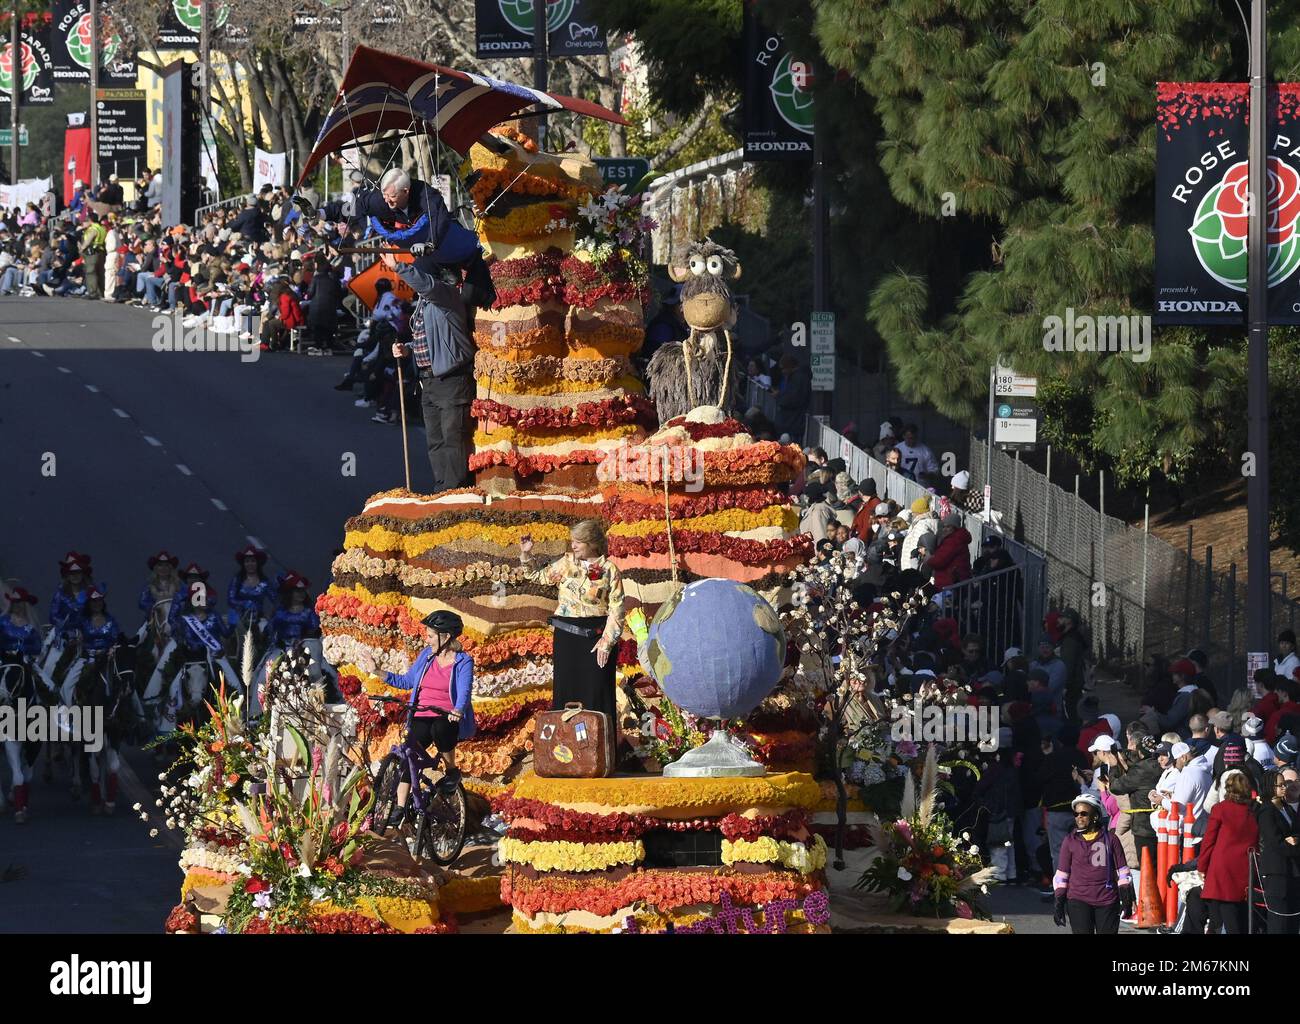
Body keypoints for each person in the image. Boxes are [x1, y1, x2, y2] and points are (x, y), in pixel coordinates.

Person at [357, 610, 475, 827]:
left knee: (442, 729)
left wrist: (457, 710)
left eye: (430, 635)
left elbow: (464, 690)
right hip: (421, 713)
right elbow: (406, 681)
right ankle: (400, 807)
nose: (426, 639)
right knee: (408, 752)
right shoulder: (426, 656)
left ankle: (451, 771)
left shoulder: (463, 661)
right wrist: (377, 671)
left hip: (446, 716)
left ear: (446, 636)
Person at [519, 520, 625, 758]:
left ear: (592, 544)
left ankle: (597, 755)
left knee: (596, 693)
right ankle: (566, 755)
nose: (573, 545)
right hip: (567, 637)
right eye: (573, 541)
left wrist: (607, 642)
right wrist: (527, 555)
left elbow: (617, 609)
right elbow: (539, 577)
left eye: (578, 542)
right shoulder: (567, 563)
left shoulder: (609, 570)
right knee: (567, 693)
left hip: (596, 639)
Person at [386, 251, 475, 491]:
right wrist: (407, 348)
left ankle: (455, 491)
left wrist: (399, 267)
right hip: (429, 381)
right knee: (435, 440)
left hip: (452, 381)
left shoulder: (446, 295)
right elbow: (429, 340)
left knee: (452, 439)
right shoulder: (424, 305)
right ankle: (441, 488)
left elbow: (428, 286)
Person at [1052, 793, 1134, 934]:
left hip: (1107, 901)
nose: (1079, 817)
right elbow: (1061, 875)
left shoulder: (1111, 839)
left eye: (1083, 814)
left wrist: (1126, 899)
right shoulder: (1070, 841)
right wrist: (1059, 902)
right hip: (1078, 900)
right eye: (1076, 814)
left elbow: (1123, 871)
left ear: (1095, 816)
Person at [1197, 769, 1259, 934]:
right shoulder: (1253, 811)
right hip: (1245, 868)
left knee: (1220, 917)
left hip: (1222, 869)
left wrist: (1202, 866)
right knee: (1240, 915)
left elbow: (1208, 841)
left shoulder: (1220, 809)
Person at [1255, 766, 1300, 934]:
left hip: (1293, 871)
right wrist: (1294, 847)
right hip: (1277, 872)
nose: (1284, 788)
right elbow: (1275, 842)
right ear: (1270, 787)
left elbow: (1295, 833)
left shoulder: (1287, 808)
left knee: (1293, 921)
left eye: (1284, 785)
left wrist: (1296, 840)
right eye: (1280, 785)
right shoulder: (1266, 811)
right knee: (1279, 922)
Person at [226, 545, 274, 628]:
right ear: (243, 564)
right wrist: (245, 603)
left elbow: (276, 600)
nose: (250, 564)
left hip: (257, 617)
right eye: (247, 561)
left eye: (253, 561)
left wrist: (271, 614)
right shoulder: (237, 579)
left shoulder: (265, 582)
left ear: (257, 563)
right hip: (238, 617)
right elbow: (230, 599)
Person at [80, 212, 108, 300]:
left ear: (90, 221)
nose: (84, 223)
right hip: (101, 252)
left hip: (92, 253)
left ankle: (92, 293)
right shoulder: (102, 228)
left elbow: (88, 240)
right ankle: (102, 292)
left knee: (91, 272)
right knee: (100, 272)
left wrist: (82, 248)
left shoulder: (92, 229)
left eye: (85, 221)